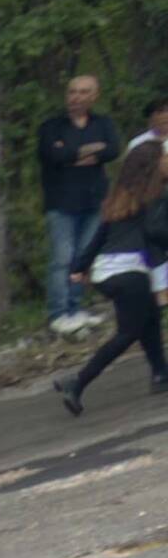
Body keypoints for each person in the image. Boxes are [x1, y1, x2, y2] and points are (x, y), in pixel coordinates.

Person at [60, 94, 168, 413]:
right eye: (164, 158)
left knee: (149, 319)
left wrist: (80, 266)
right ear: (153, 165)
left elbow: (101, 232)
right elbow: (154, 232)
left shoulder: (125, 194)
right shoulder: (157, 197)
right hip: (129, 270)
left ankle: (161, 373)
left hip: (108, 271)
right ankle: (77, 382)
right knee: (128, 332)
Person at [42, 72, 121, 327]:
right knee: (62, 259)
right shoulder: (52, 126)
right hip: (62, 203)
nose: (76, 97)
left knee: (84, 258)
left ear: (94, 96)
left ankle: (75, 308)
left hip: (94, 201)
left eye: (83, 92)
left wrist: (74, 155)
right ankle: (58, 313)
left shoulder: (103, 123)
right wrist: (88, 150)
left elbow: (113, 149)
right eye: (72, 92)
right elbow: (53, 155)